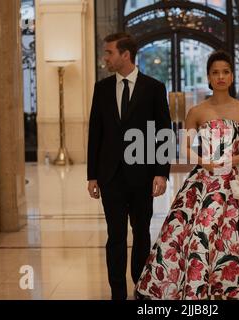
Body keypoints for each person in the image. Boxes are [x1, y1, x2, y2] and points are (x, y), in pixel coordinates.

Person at [135, 50, 239, 300]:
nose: (220, 76)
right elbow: (185, 146)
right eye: (215, 72)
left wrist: (236, 159)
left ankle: (236, 288)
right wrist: (203, 162)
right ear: (208, 77)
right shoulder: (197, 111)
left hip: (234, 183)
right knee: (200, 235)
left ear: (232, 77)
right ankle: (197, 288)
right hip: (204, 183)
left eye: (225, 72)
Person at [87, 32, 171, 300]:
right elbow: (95, 133)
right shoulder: (101, 89)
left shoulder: (154, 88)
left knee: (142, 234)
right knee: (115, 237)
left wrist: (161, 172)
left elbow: (163, 133)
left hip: (142, 174)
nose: (105, 58)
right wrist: (92, 175)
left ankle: (141, 287)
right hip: (110, 175)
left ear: (126, 54)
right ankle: (117, 292)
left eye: (109, 52)